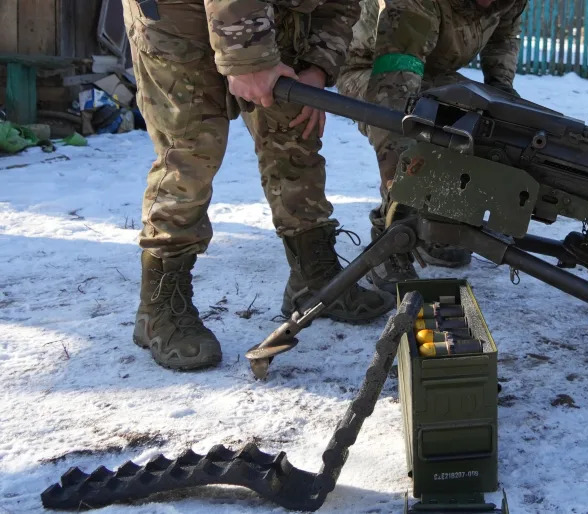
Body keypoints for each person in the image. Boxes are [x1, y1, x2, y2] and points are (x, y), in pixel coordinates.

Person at [122, 0, 393, 371]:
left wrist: (317, 66)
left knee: (294, 123)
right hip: (176, 12)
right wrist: (247, 58)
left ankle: (311, 276)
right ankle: (159, 305)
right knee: (192, 146)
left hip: (275, 11)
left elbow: (342, 3)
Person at [337, 0, 527, 293]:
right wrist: (403, 180)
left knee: (476, 125)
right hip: (373, 67)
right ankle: (389, 237)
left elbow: (503, 39)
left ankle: (435, 225)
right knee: (420, 129)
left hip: (432, 71)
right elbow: (394, 90)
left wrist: (502, 100)